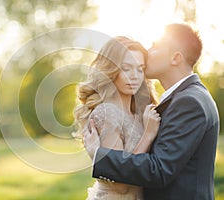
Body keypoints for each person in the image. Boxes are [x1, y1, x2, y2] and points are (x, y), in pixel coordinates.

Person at [83, 23, 220, 200]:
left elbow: (159, 169)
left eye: (155, 46)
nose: (148, 51)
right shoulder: (187, 96)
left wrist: (99, 155)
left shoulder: (189, 101)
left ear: (175, 59)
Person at [73, 36, 161, 199]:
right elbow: (120, 184)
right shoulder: (107, 114)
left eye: (140, 69)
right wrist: (148, 135)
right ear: (110, 70)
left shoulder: (138, 113)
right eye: (126, 68)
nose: (134, 76)